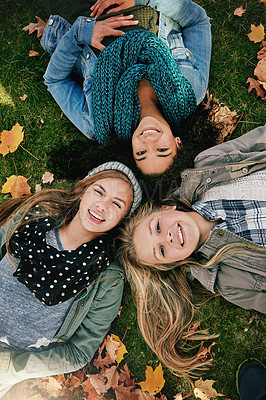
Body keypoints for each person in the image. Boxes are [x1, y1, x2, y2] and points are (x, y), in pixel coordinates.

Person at [117, 125, 266, 376]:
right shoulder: (227, 280)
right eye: (162, 250)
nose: (169, 237)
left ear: (165, 208)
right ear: (173, 263)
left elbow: (259, 140)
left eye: (157, 227)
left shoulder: (208, 166)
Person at [0, 161, 142, 399]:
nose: (102, 206)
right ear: (83, 189)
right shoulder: (33, 215)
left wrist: (12, 368)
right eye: (99, 191)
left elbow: (78, 351)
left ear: (123, 220)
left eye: (116, 204)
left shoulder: (107, 277)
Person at [24, 0, 212, 175]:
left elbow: (55, 80)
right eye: (162, 150)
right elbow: (197, 21)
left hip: (80, 13)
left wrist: (81, 32)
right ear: (178, 143)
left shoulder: (98, 124)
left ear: (131, 151)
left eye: (141, 153)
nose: (149, 142)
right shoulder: (190, 90)